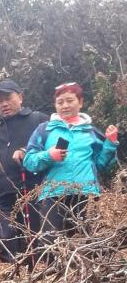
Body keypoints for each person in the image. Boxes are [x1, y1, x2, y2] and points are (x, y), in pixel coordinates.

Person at [23, 82, 119, 238]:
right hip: (53, 196)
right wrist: (49, 155)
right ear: (55, 105)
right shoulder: (44, 130)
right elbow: (29, 162)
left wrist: (110, 143)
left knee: (89, 243)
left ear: (80, 102)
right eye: (60, 102)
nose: (65, 106)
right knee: (51, 244)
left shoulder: (91, 132)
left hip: (86, 194)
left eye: (70, 100)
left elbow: (100, 165)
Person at [0, 80, 49, 261]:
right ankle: (14, 277)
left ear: (20, 97)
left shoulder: (38, 119)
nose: (4, 104)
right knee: (7, 243)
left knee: (36, 240)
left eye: (8, 98)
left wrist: (27, 151)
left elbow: (52, 147)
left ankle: (41, 274)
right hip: (3, 197)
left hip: (33, 191)